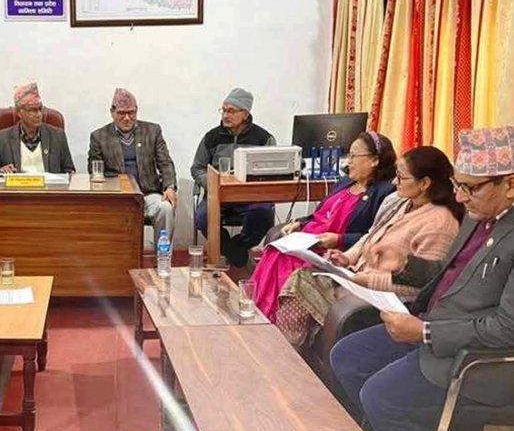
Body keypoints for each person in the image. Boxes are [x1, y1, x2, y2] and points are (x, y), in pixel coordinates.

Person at [331, 125, 514, 431]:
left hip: (471, 356)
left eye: (471, 188)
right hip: (432, 325)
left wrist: (426, 332)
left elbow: (506, 328)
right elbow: (448, 274)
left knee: (380, 396)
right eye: (458, 185)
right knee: (348, 357)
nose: (459, 197)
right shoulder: (477, 218)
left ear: (509, 184)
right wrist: (404, 264)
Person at [273, 146, 462, 349]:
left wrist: (367, 280)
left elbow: (422, 285)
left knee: (302, 282)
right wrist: (347, 257)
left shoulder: (439, 223)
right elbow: (370, 235)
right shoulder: (401, 204)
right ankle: (287, 349)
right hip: (357, 277)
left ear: (424, 183)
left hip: (382, 294)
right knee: (302, 276)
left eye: (401, 177)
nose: (394, 182)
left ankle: (286, 353)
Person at [251, 131, 397, 321]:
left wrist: (339, 239)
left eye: (354, 156)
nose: (349, 161)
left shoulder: (385, 192)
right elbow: (321, 213)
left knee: (287, 261)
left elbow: (374, 235)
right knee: (275, 250)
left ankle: (270, 319)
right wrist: (300, 222)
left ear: (374, 160)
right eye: (349, 155)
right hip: (310, 239)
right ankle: (255, 312)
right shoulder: (345, 182)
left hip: (334, 249)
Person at [191, 88, 276, 267]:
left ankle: (239, 245)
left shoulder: (263, 138)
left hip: (251, 197)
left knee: (264, 215)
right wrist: (211, 183)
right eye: (223, 110)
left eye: (231, 111)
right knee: (202, 217)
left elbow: (272, 171)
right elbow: (197, 168)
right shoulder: (212, 137)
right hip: (218, 196)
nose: (225, 115)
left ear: (245, 114)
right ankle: (231, 249)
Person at [88, 88, 177, 244]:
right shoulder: (99, 137)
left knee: (166, 208)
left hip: (148, 194)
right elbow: (94, 171)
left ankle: (162, 256)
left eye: (131, 113)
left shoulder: (152, 131)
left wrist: (169, 187)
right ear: (112, 112)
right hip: (118, 198)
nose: (127, 118)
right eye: (122, 113)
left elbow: (165, 162)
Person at [0, 82, 75, 174]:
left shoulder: (58, 136)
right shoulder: (0, 139)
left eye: (40, 109)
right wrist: (1, 171)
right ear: (19, 112)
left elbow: (70, 171)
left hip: (48, 183)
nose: (39, 114)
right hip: (17, 183)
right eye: (33, 110)